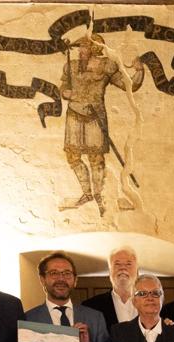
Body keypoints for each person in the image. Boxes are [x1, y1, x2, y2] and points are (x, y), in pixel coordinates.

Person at [59, 34, 144, 215]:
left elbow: (130, 85)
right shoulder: (71, 66)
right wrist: (66, 93)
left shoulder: (107, 66)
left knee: (95, 158)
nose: (81, 51)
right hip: (73, 115)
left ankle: (98, 194)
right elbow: (63, 88)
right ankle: (87, 193)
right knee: (72, 156)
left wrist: (139, 71)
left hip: (95, 116)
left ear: (95, 49)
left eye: (84, 47)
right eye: (80, 47)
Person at [83, 246, 139, 331]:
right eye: (117, 264)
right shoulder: (91, 307)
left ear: (137, 272)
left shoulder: (151, 305)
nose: (123, 268)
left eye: (128, 264)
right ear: (109, 271)